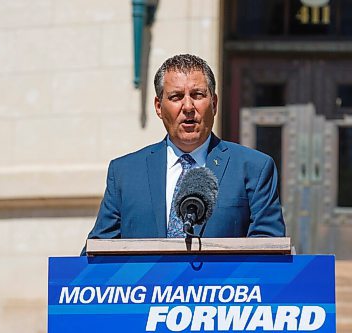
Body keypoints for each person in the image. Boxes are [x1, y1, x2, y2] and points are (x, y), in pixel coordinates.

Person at [81, 54, 285, 254]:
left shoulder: (253, 168)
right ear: (159, 107)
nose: (188, 107)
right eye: (176, 97)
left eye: (197, 95)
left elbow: (269, 251)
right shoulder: (125, 173)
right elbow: (96, 253)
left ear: (214, 103)